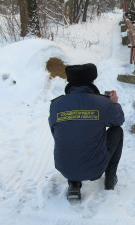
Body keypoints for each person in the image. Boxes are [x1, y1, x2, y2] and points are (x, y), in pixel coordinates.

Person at [48, 63, 124, 200]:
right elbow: (119, 120)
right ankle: (110, 179)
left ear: (70, 82)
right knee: (117, 131)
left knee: (70, 135)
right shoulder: (102, 103)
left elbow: (55, 133)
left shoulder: (56, 105)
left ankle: (73, 184)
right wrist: (114, 103)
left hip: (64, 168)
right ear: (91, 81)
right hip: (95, 170)